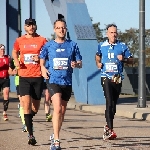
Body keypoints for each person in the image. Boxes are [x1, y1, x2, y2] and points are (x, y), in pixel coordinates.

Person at [40, 19, 82, 150]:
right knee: (57, 108)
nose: (61, 30)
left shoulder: (73, 45)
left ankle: (54, 134)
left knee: (62, 112)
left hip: (67, 82)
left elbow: (80, 62)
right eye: (58, 28)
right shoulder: (48, 46)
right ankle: (57, 141)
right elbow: (42, 60)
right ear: (54, 30)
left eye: (63, 27)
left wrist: (76, 64)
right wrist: (42, 68)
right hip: (53, 80)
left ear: (66, 29)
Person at [12, 18, 47, 145]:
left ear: (35, 26)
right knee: (26, 105)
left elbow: (48, 53)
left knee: (35, 107)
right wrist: (16, 62)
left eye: (32, 25)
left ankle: (28, 120)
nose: (31, 27)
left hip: (37, 76)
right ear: (25, 27)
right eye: (28, 25)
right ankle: (31, 135)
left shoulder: (42, 40)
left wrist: (41, 57)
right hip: (24, 76)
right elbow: (14, 51)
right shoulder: (19, 40)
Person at [95, 24, 133, 140]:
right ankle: (111, 130)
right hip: (106, 77)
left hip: (117, 78)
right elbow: (97, 56)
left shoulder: (122, 46)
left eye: (115, 32)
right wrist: (98, 63)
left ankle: (107, 127)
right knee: (109, 102)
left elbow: (132, 60)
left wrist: (124, 59)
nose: (114, 34)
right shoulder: (102, 45)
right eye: (111, 32)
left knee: (114, 105)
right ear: (107, 34)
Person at [10, 56, 27, 132]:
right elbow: (10, 71)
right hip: (19, 82)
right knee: (23, 102)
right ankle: (25, 124)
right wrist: (13, 72)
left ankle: (22, 109)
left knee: (30, 104)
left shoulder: (27, 56)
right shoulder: (15, 58)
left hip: (29, 81)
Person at [0, 44, 13, 121]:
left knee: (6, 94)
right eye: (1, 50)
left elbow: (10, 68)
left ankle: (4, 112)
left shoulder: (7, 58)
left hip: (5, 78)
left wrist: (12, 71)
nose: (2, 51)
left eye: (3, 50)